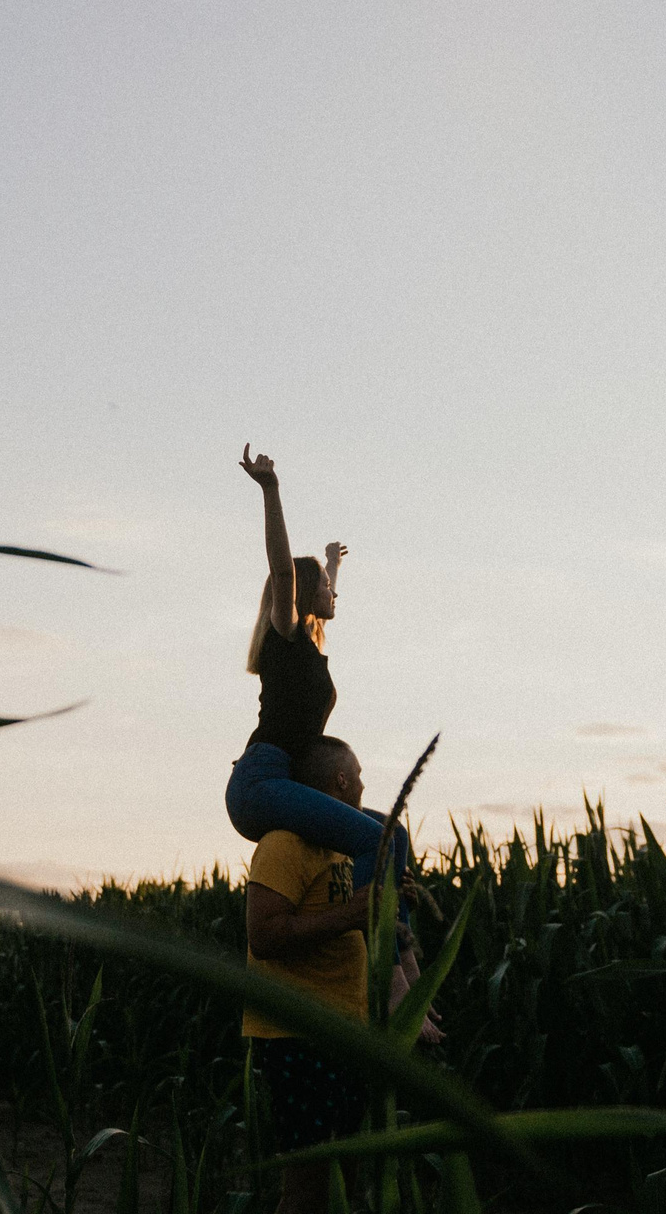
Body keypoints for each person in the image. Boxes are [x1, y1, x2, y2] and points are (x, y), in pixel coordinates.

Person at [243, 735, 443, 1214]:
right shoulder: (283, 844)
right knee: (309, 1187)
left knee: (348, 1180)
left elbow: (358, 917)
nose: (364, 787)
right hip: (299, 1034)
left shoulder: (349, 849)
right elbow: (265, 937)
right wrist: (353, 913)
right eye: (359, 776)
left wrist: (394, 905)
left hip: (350, 1029)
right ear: (341, 780)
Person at [225, 446, 405, 891]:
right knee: (374, 843)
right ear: (305, 593)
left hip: (287, 779)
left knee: (394, 836)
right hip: (261, 782)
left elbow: (324, 608)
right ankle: (353, 924)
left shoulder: (306, 642)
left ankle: (395, 953)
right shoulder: (284, 637)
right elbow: (284, 573)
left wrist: (332, 564)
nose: (334, 593)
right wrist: (271, 490)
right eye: (326, 586)